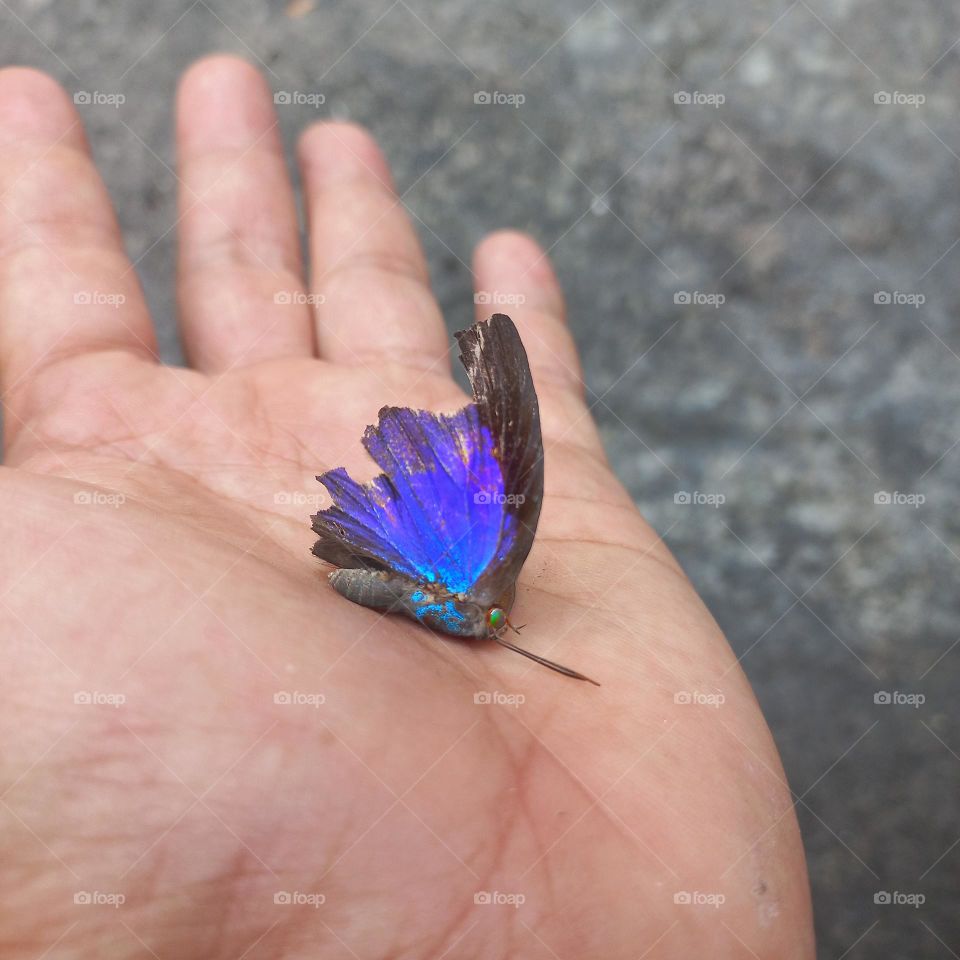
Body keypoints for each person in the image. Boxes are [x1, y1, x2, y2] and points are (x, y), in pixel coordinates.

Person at [0, 55, 814, 958]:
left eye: (500, 622)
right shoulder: (494, 563)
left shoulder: (489, 584)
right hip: (390, 555)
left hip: (391, 555)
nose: (496, 623)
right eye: (496, 618)